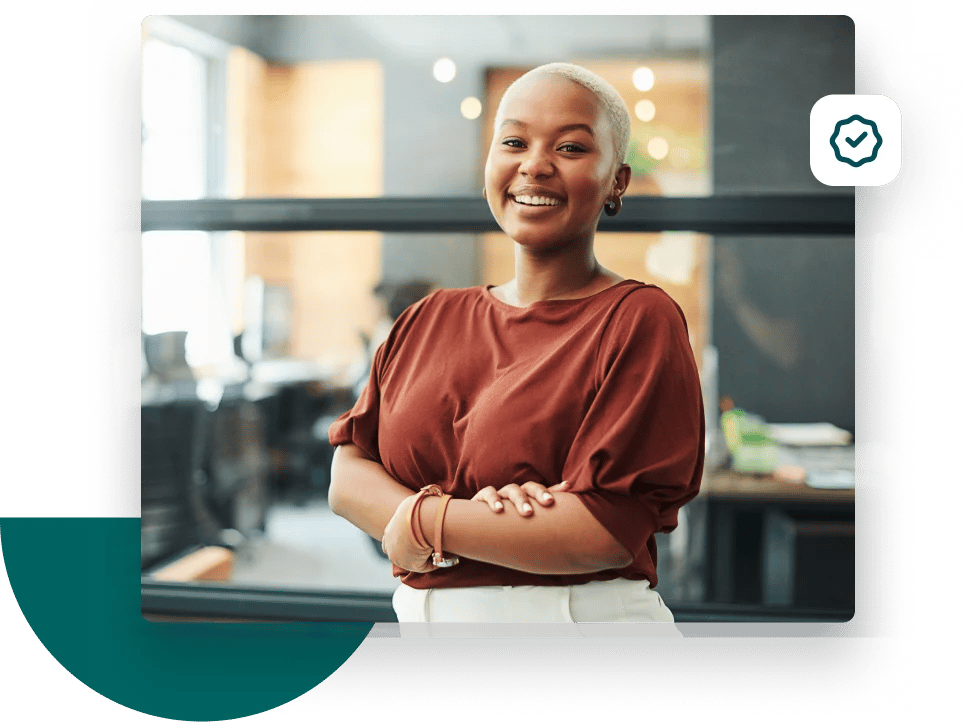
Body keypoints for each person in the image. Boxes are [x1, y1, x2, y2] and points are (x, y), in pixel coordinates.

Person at [328, 63, 704, 637]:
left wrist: (424, 519)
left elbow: (599, 532)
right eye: (514, 141)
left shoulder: (639, 320)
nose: (534, 164)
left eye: (572, 147)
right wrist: (482, 518)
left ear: (617, 181)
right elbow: (347, 473)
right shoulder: (427, 318)